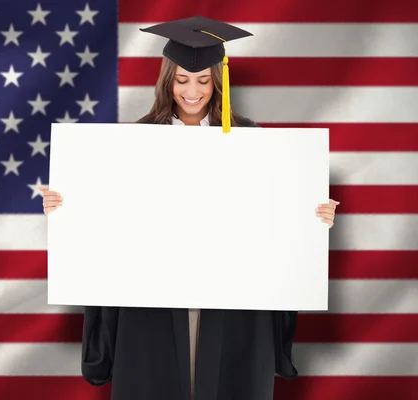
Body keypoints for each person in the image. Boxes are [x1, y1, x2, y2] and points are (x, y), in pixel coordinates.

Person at [39, 16, 340, 400]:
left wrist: (313, 217)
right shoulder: (134, 144)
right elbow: (108, 224)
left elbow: (275, 222)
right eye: (182, 80)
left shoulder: (254, 143)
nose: (192, 91)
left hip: (235, 300)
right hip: (152, 299)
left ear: (218, 80)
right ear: (168, 81)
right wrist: (68, 208)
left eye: (202, 79)